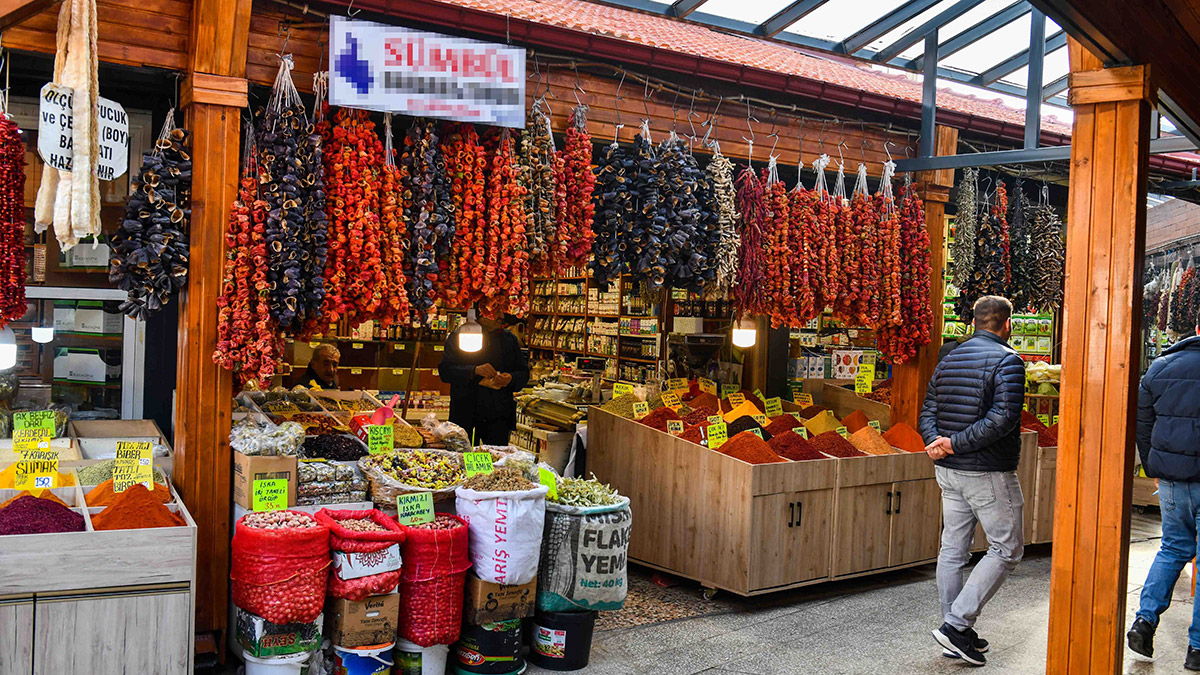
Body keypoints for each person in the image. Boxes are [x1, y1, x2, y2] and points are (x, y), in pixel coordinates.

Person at [920, 295, 1026, 666]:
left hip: (947, 470)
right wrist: (955, 443)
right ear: (1006, 323)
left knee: (953, 548)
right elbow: (1003, 419)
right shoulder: (1008, 360)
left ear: (976, 321)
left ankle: (956, 629)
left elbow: (928, 407)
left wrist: (936, 442)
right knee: (1007, 548)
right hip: (986, 471)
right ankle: (956, 625)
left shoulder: (949, 357)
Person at [1127, 318, 1200, 670]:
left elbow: (1143, 425)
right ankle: (1197, 648)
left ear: (1196, 330)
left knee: (1173, 548)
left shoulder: (1161, 367)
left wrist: (1154, 469)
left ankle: (1144, 621)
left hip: (1171, 479)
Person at [438, 312, 530, 446]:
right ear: (480, 314)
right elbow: (445, 371)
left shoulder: (509, 339)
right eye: (495, 313)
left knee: (496, 461)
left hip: (498, 415)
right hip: (465, 412)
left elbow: (523, 373)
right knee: (462, 458)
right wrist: (474, 371)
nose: (501, 317)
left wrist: (511, 378)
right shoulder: (459, 337)